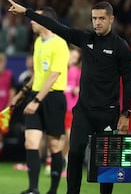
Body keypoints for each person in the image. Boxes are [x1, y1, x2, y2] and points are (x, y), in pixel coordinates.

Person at [6, 0, 131, 194]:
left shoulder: (121, 47)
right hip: (83, 111)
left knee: (106, 162)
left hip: (108, 113)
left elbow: (128, 81)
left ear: (111, 19)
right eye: (94, 18)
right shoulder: (86, 39)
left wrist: (126, 113)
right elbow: (56, 27)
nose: (97, 22)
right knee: (74, 154)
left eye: (101, 18)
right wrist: (27, 12)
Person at [10, 6, 70, 194]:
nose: (32, 21)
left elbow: (53, 76)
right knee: (31, 142)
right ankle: (33, 189)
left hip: (53, 98)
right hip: (35, 94)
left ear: (47, 22)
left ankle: (52, 190)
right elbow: (38, 74)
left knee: (54, 145)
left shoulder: (60, 43)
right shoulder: (38, 43)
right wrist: (22, 93)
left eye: (35, 18)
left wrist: (36, 101)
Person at [61, 45, 82, 178]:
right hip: (59, 108)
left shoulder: (77, 72)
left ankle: (66, 164)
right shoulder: (60, 69)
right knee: (58, 137)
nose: (72, 59)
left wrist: (78, 90)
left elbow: (82, 88)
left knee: (69, 137)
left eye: (75, 57)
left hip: (71, 109)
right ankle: (54, 163)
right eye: (71, 55)